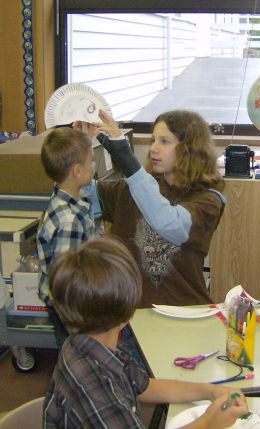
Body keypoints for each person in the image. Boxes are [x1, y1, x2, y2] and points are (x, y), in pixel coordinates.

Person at [44, 237, 248, 428]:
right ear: (127, 315)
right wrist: (208, 423)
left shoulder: (90, 345)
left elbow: (146, 387)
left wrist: (210, 391)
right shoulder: (96, 387)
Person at [84, 109, 226, 307]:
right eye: (153, 140)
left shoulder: (208, 201)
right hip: (130, 314)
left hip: (183, 313)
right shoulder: (130, 189)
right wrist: (78, 145)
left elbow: (169, 223)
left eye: (165, 141)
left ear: (189, 149)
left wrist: (124, 156)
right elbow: (80, 189)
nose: (153, 149)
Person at [36, 127, 96, 347]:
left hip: (63, 302)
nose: (94, 165)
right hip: (69, 307)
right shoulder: (69, 221)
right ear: (77, 171)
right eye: (91, 162)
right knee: (75, 351)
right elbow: (66, 278)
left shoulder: (63, 196)